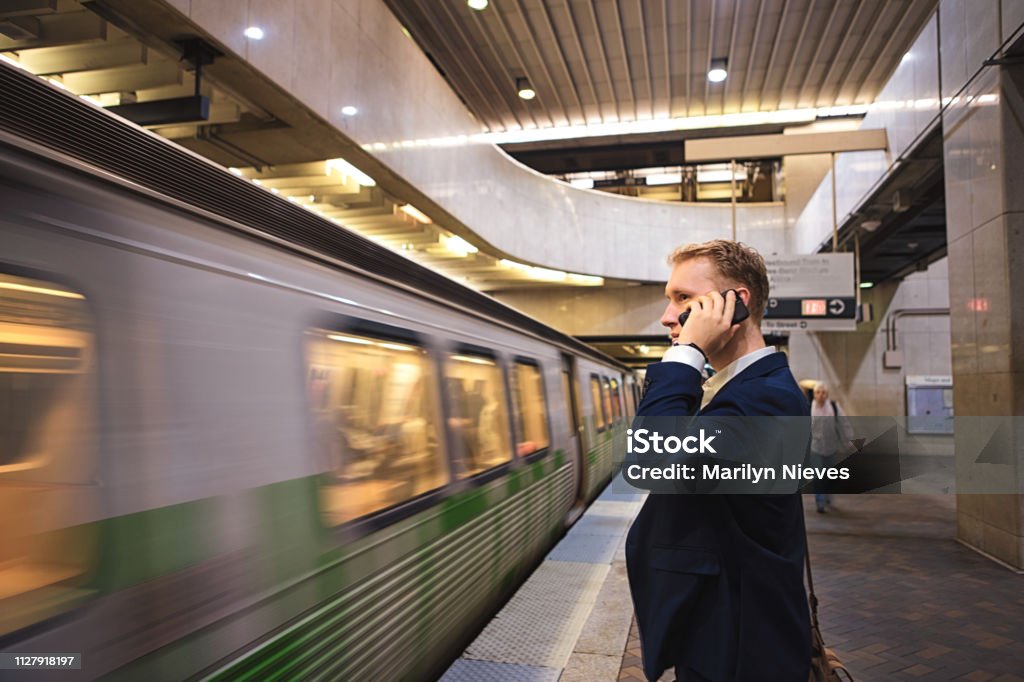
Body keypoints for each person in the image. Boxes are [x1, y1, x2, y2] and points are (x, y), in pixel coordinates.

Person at [625, 240, 811, 682]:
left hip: (739, 647)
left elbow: (652, 457)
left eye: (683, 299)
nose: (668, 317)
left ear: (736, 303)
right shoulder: (745, 391)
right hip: (725, 632)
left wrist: (687, 353)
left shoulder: (766, 400)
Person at [810, 382, 852, 513]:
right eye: (818, 393)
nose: (820, 395)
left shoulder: (833, 407)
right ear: (814, 394)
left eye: (823, 393)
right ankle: (820, 501)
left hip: (831, 447)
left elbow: (844, 423)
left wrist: (848, 439)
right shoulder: (809, 408)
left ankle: (827, 494)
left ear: (827, 394)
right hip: (815, 447)